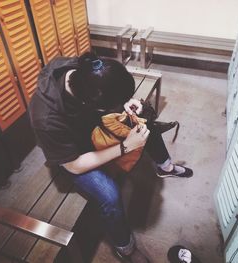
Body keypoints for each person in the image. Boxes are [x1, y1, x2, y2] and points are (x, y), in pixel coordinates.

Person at [28, 52, 193, 262]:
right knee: (110, 195)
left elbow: (107, 89)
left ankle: (165, 167)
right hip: (73, 155)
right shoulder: (46, 117)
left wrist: (126, 102)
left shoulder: (85, 69)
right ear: (93, 101)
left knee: (143, 123)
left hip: (88, 123)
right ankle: (125, 248)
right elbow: (73, 166)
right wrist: (125, 147)